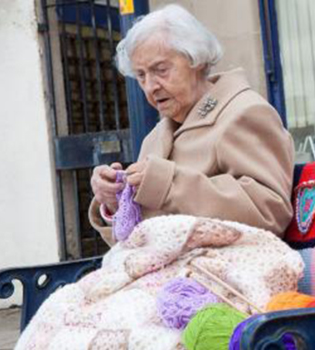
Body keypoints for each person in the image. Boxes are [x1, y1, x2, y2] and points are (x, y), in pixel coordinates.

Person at [89, 4, 294, 246]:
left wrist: (169, 184)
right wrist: (115, 202)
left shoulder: (244, 112)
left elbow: (269, 212)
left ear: (197, 59)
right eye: (141, 75)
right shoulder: (154, 138)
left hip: (221, 276)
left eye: (161, 70)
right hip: (165, 273)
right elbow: (137, 241)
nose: (150, 86)